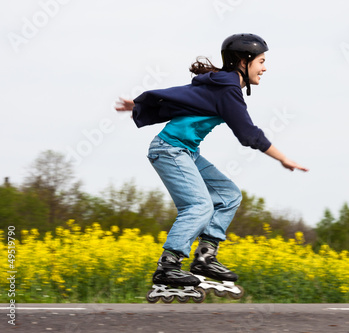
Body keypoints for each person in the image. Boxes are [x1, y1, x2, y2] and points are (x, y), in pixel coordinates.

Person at [115, 33, 308, 289]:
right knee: (199, 205)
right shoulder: (227, 87)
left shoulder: (221, 84)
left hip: (186, 151)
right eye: (261, 61)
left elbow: (183, 98)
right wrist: (283, 158)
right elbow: (248, 134)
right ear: (244, 60)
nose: (264, 67)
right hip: (170, 150)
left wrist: (141, 104)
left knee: (229, 195)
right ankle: (168, 266)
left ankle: (206, 257)